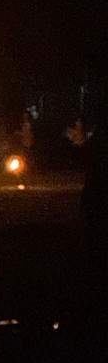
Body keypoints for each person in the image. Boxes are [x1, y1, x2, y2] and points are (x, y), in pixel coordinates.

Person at [81, 108, 108, 272]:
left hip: (96, 189)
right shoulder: (97, 142)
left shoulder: (96, 141)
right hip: (97, 189)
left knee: (95, 227)